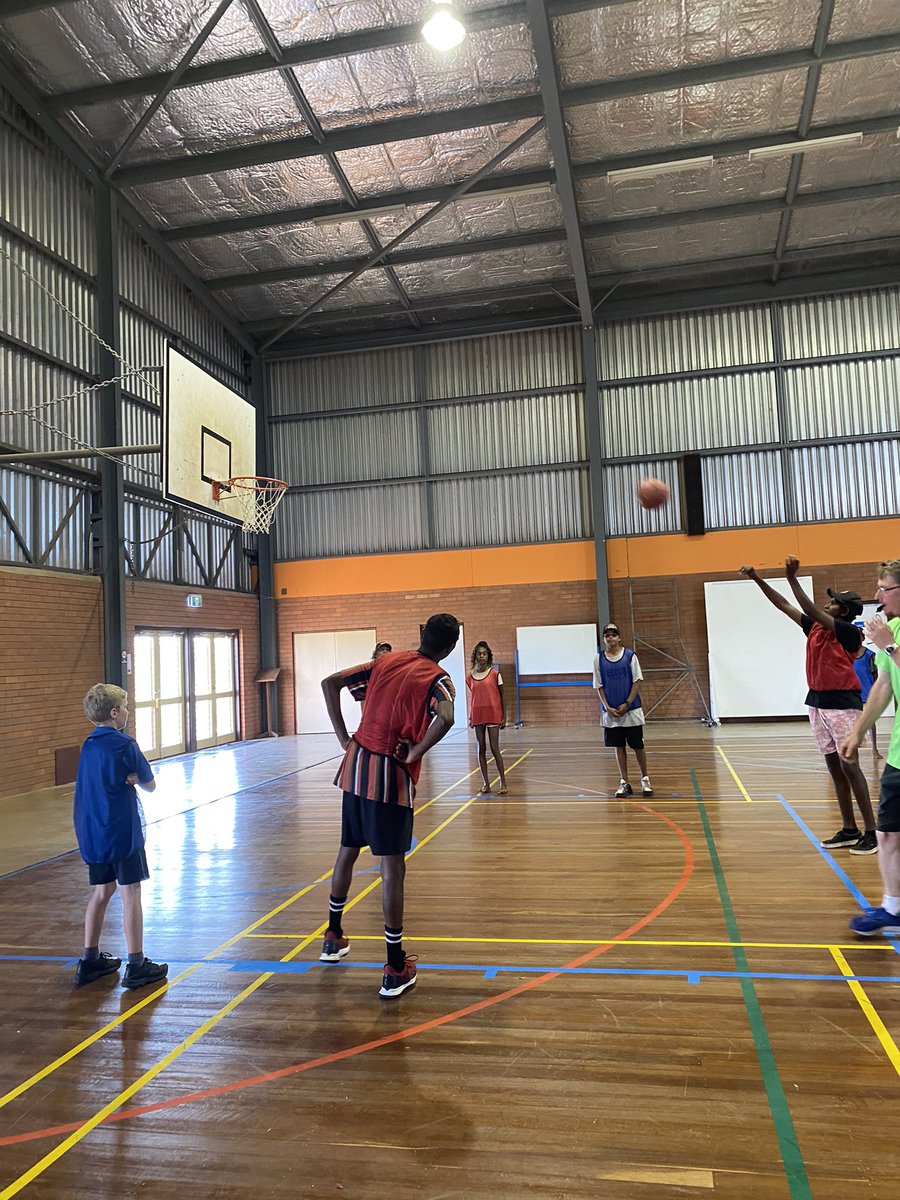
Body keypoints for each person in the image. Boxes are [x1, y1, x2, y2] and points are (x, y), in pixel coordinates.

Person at [319, 613, 459, 998]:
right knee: (392, 866)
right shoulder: (438, 678)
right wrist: (415, 750)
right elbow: (446, 717)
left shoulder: (385, 661)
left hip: (355, 764)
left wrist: (343, 737)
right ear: (450, 648)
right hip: (389, 775)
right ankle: (395, 966)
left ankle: (333, 936)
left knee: (348, 849)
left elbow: (329, 683)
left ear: (420, 635)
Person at [740, 558, 876, 853]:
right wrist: (757, 579)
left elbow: (810, 609)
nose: (828, 605)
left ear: (846, 612)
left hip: (842, 705)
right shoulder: (815, 629)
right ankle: (849, 828)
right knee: (834, 767)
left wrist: (791, 578)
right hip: (816, 701)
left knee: (850, 766)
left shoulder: (850, 632)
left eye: (835, 603)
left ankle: (871, 831)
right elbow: (783, 606)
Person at [72, 684, 169, 989]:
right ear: (114, 713)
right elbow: (150, 784)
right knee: (131, 894)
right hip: (122, 831)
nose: (128, 711)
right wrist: (136, 778)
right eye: (125, 707)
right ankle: (137, 963)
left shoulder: (87, 746)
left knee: (101, 892)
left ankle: (89, 960)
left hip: (94, 831)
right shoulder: (125, 745)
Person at [839, 560, 900, 934]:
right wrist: (858, 730)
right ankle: (892, 907)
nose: (877, 596)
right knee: (888, 832)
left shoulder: (889, 637)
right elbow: (883, 687)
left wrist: (889, 646)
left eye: (884, 588)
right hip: (898, 757)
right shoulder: (891, 630)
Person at [593, 623, 653, 798]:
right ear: (604, 639)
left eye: (613, 634)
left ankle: (645, 779)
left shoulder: (629, 656)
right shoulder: (598, 659)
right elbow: (598, 685)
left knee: (638, 746)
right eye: (607, 635)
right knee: (619, 747)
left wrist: (627, 703)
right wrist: (607, 707)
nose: (610, 638)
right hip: (611, 712)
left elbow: (637, 680)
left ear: (619, 637)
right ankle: (624, 782)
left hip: (631, 710)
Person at [466, 641, 508, 795]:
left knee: (495, 748)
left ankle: (503, 782)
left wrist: (504, 716)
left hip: (493, 714)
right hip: (478, 715)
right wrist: (471, 716)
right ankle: (486, 783)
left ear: (488, 655)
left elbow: (503, 696)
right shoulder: (470, 676)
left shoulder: (495, 674)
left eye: (484, 653)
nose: (481, 656)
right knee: (480, 749)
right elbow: (474, 697)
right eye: (479, 653)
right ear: (475, 656)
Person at [853, 639, 882, 759]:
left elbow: (875, 674)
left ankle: (874, 748)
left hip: (867, 691)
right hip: (853, 692)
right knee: (852, 722)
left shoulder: (869, 654)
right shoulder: (847, 653)